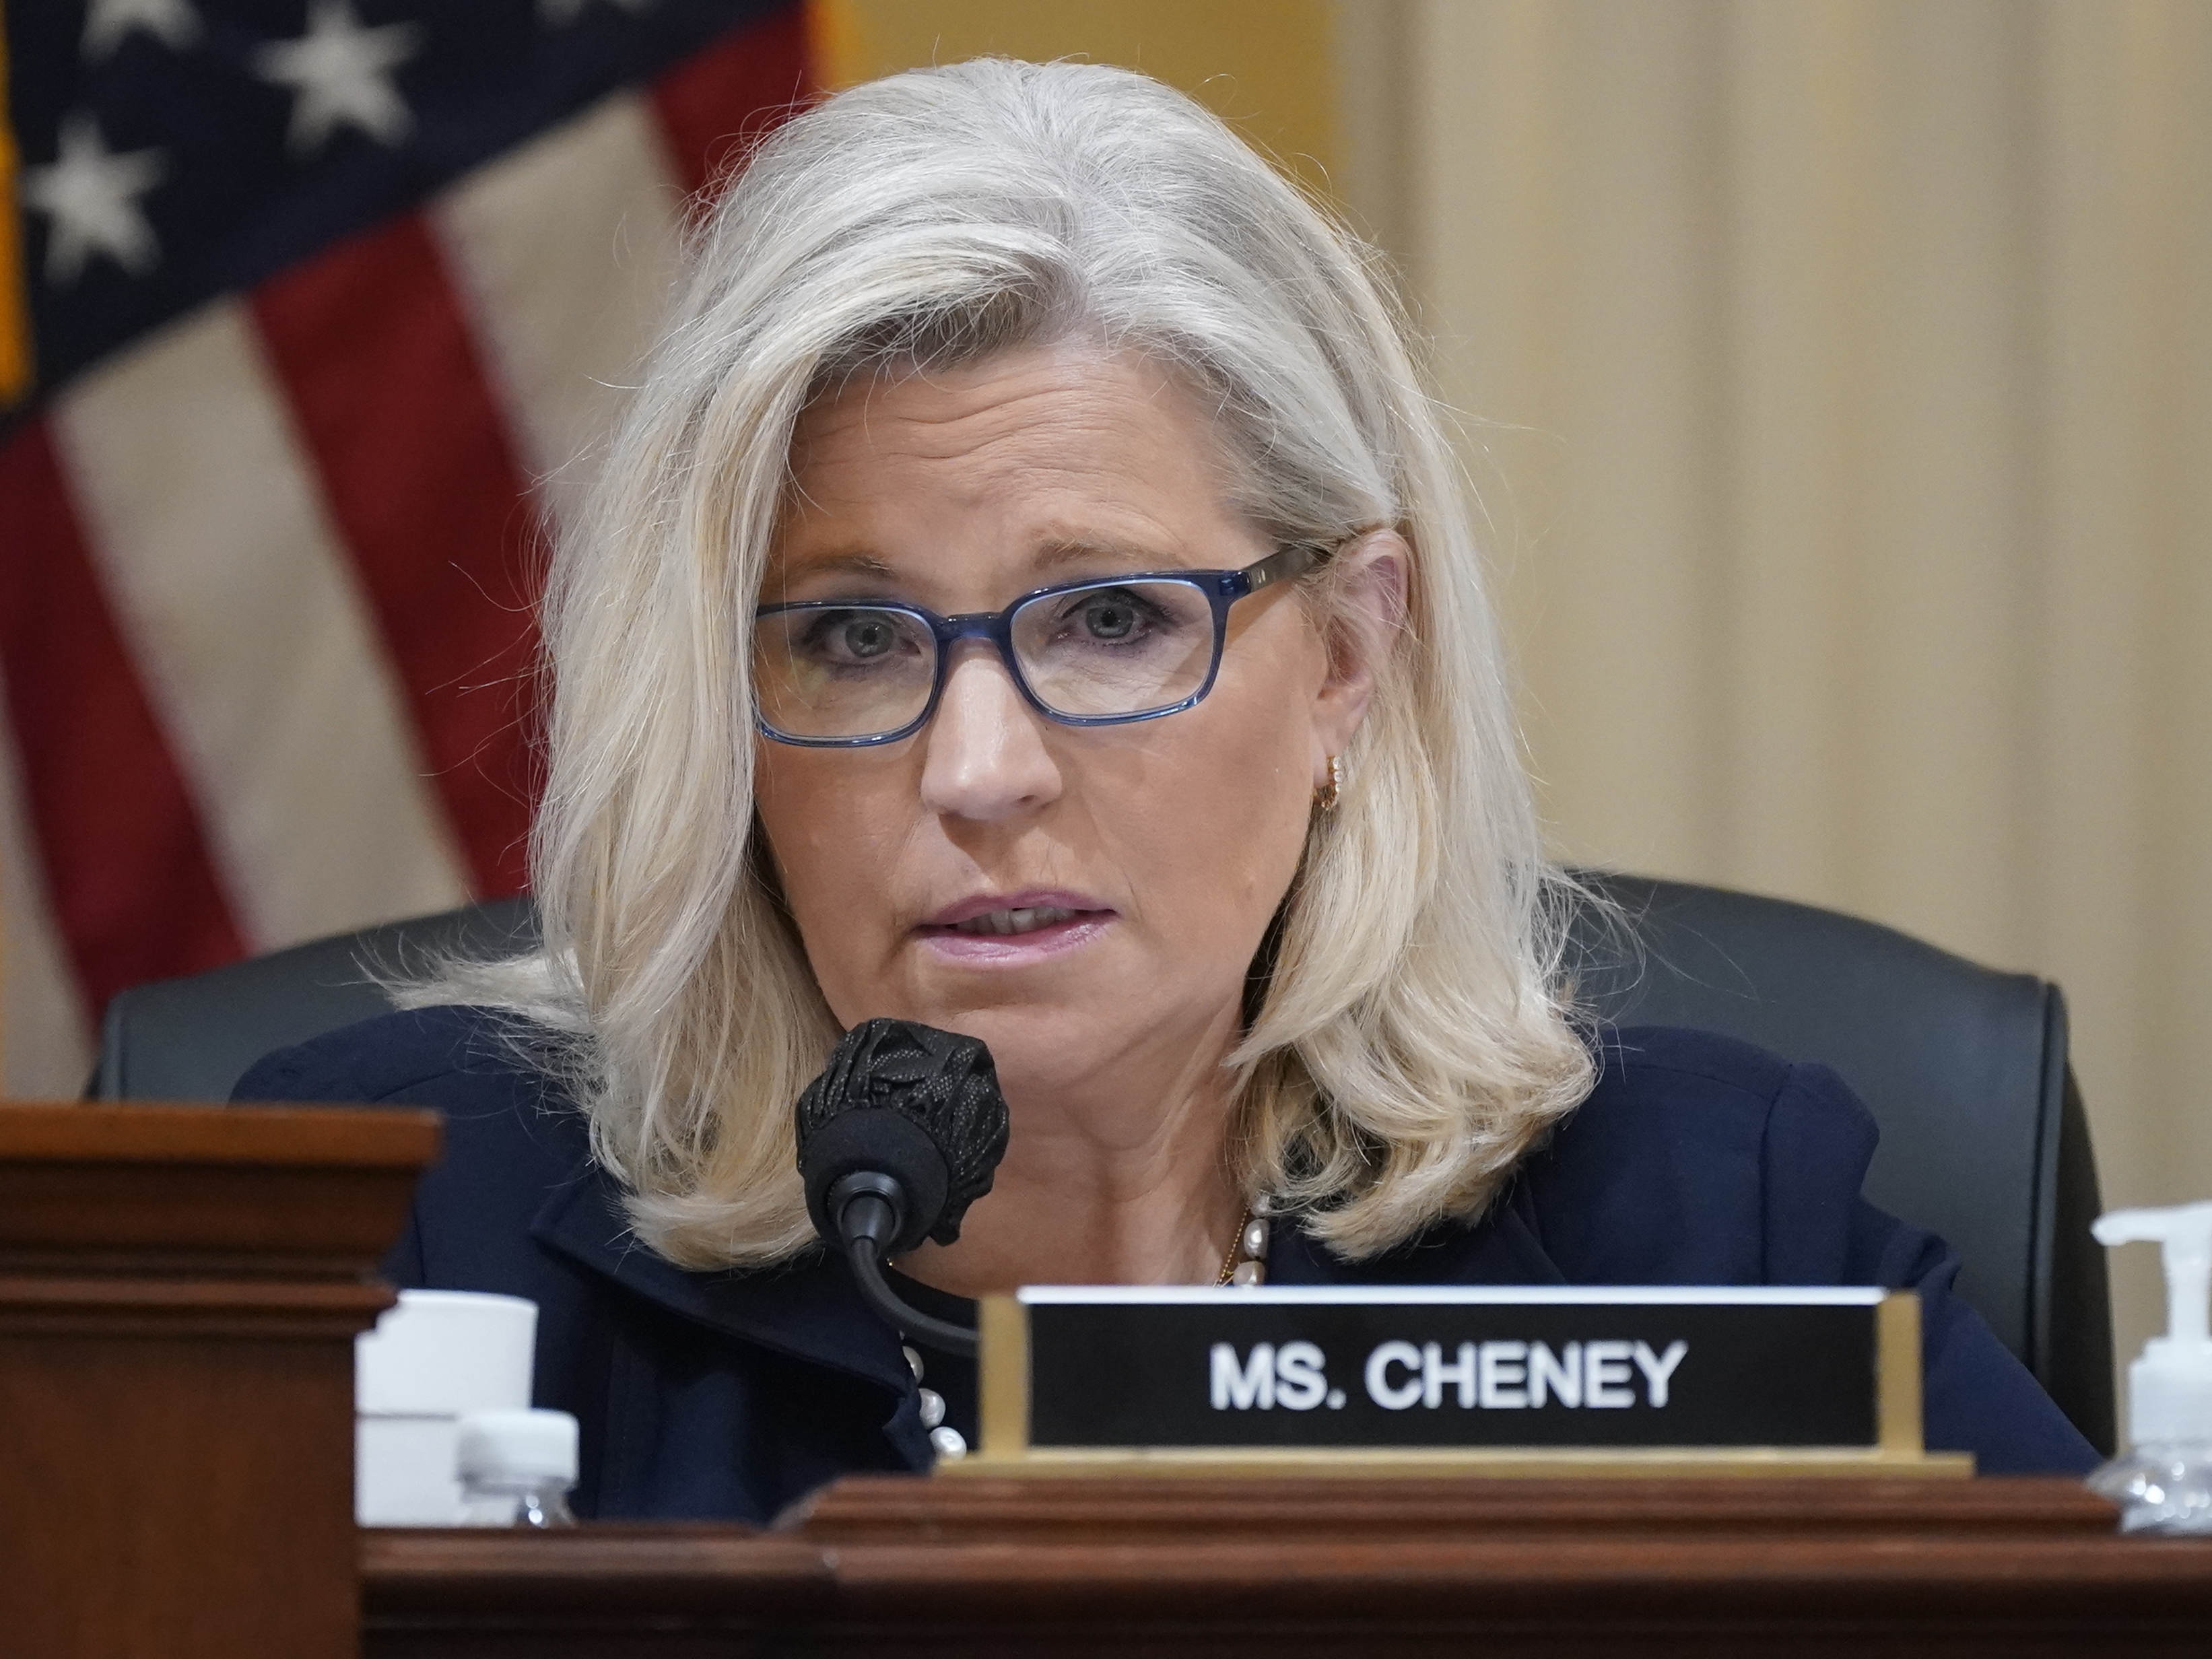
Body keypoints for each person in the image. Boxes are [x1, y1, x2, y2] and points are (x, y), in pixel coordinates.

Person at [235, 58, 2096, 1520]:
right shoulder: (398, 1227)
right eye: (853, 639)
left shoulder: (1713, 1232)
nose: (977, 770)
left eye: (1113, 619)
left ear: (1352, 659)